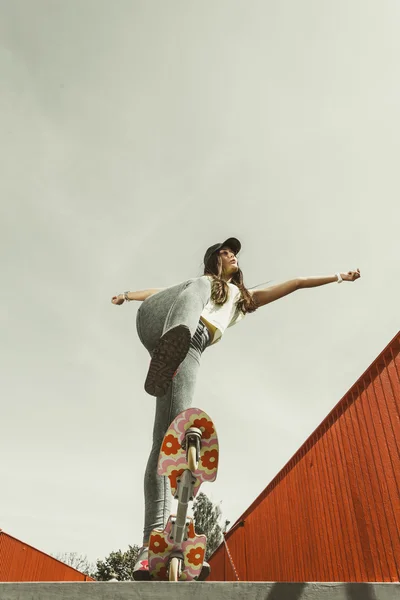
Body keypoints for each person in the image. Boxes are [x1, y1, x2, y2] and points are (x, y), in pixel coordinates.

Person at [111, 237, 361, 580]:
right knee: (195, 289)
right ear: (214, 259)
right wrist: (128, 294)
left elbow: (296, 284)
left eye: (236, 254)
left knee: (166, 440)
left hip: (190, 349)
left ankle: (150, 546)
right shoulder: (200, 284)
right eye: (227, 252)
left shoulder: (242, 301)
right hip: (160, 323)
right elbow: (158, 293)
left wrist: (337, 277)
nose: (234, 256)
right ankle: (174, 338)